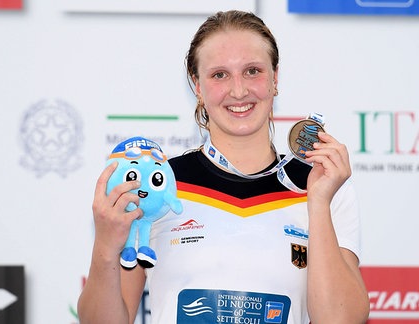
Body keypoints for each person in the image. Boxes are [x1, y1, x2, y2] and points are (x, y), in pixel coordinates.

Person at [78, 10, 369, 324]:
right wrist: (106, 247)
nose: (239, 91)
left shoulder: (321, 184)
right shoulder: (161, 187)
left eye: (252, 71)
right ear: (197, 86)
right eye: (219, 75)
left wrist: (319, 204)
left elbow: (341, 320)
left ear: (275, 78)